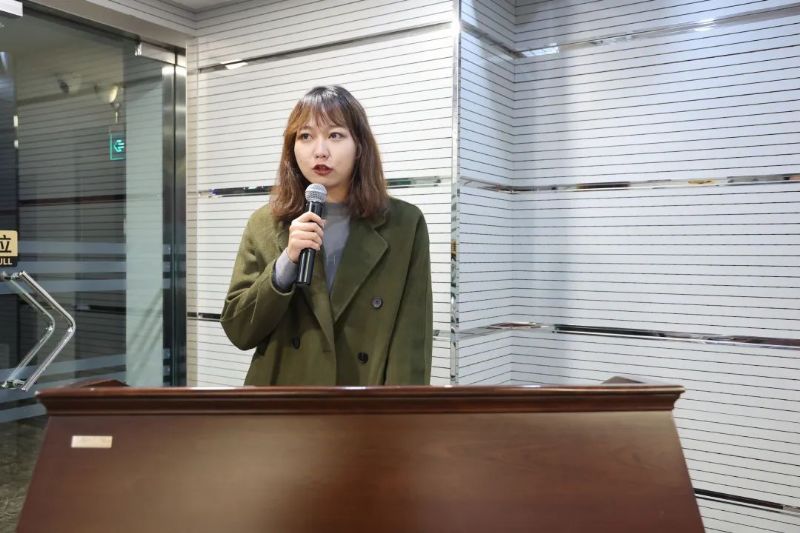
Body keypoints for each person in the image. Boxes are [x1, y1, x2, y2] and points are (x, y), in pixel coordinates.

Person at [221, 85, 432, 386]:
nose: (320, 151)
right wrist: (285, 265)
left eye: (335, 135)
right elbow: (238, 329)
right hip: (284, 400)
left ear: (360, 145)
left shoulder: (404, 224)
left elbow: (411, 339)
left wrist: (399, 410)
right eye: (306, 136)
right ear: (292, 148)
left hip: (362, 397)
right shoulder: (265, 223)